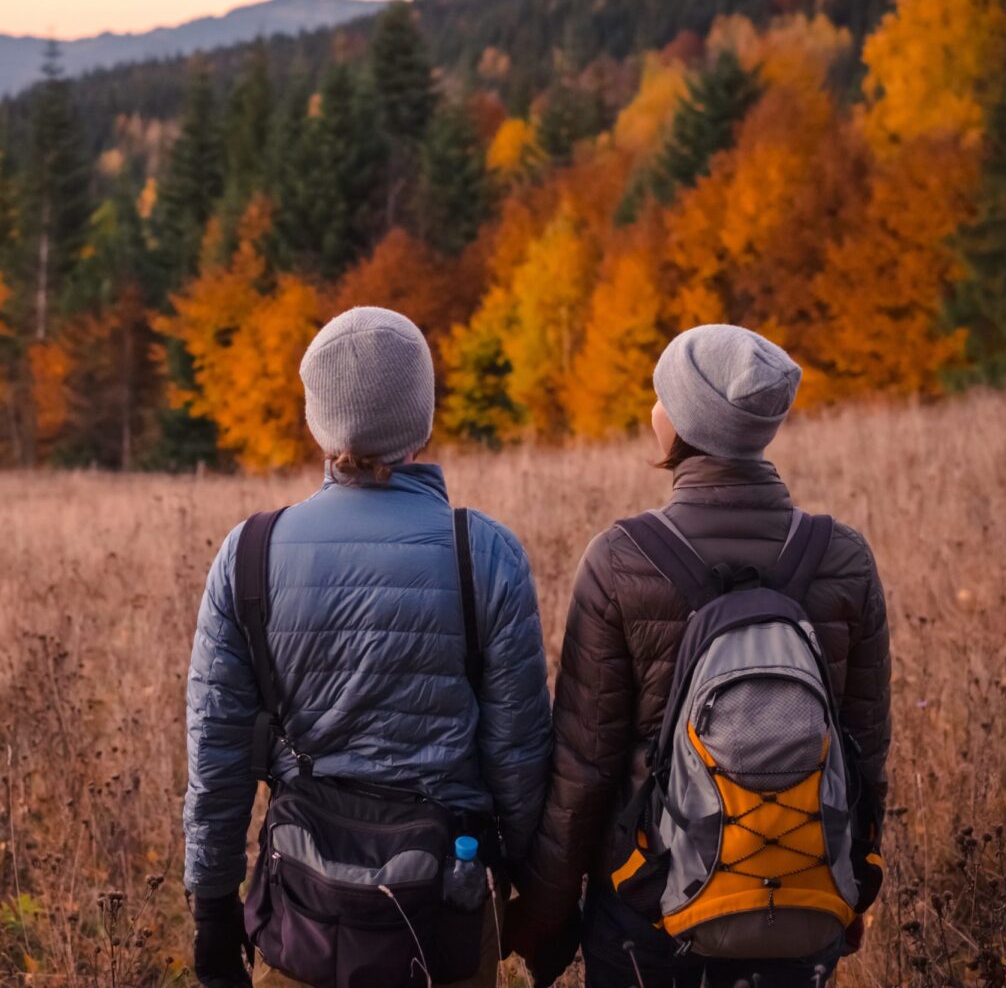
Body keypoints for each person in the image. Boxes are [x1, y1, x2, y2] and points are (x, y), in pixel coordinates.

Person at [506, 324, 891, 988]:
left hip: (648, 912)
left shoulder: (622, 559)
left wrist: (544, 916)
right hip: (804, 903)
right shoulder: (843, 558)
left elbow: (584, 770)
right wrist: (851, 885)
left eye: (662, 397)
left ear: (681, 421)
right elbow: (865, 754)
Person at [183, 306, 552, 988]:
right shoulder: (486, 553)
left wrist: (212, 909)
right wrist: (534, 893)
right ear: (424, 417)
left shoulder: (250, 555)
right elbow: (520, 758)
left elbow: (218, 752)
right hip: (447, 916)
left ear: (317, 420)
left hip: (302, 919)